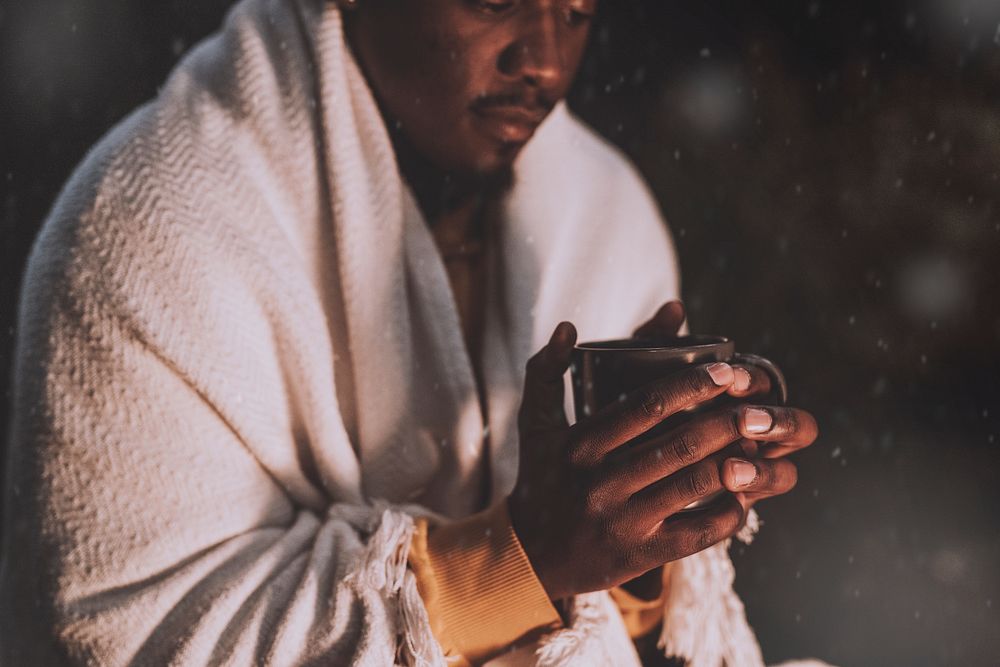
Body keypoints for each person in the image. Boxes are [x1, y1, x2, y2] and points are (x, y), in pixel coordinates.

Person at [0, 0, 818, 665]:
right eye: (496, 3)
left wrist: (657, 520)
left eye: (576, 12)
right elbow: (126, 631)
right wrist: (518, 557)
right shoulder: (151, 223)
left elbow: (636, 630)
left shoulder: (601, 211)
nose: (543, 62)